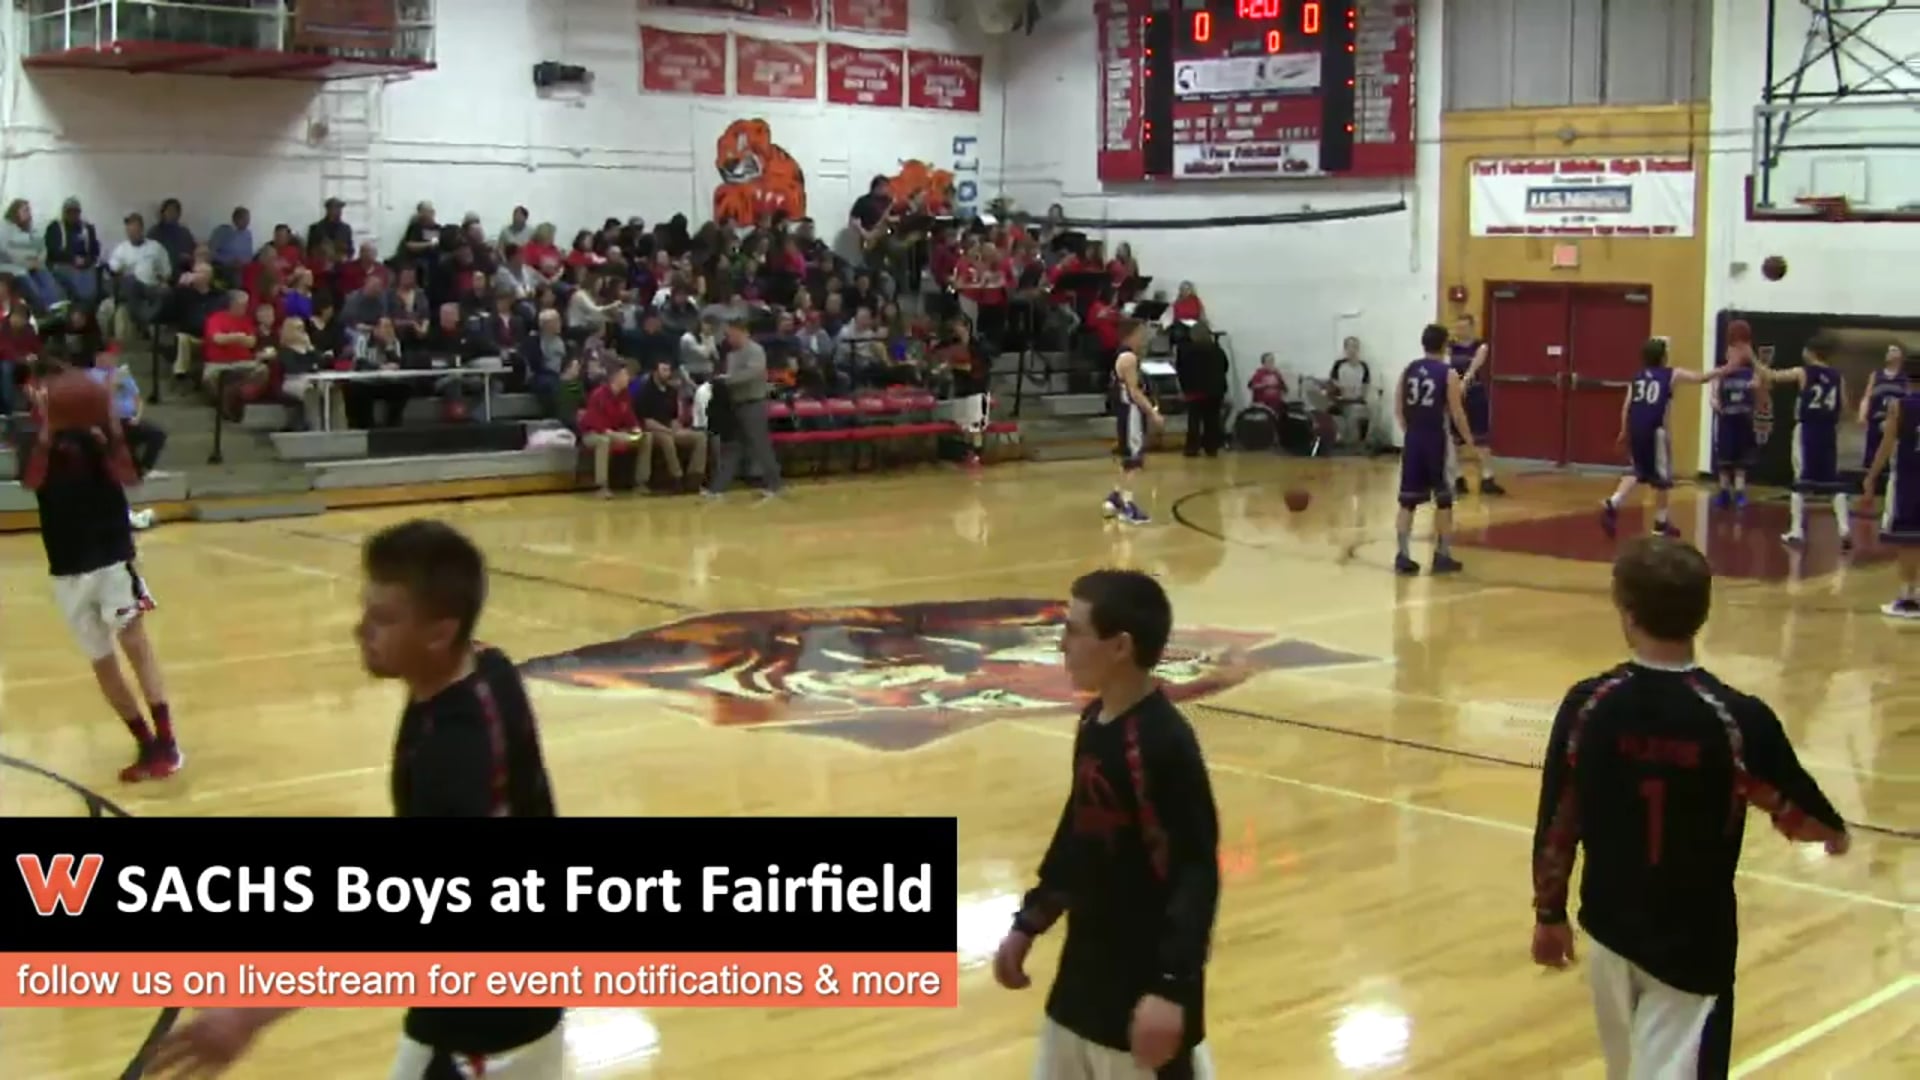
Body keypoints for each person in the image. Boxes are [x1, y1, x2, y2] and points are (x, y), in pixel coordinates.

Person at [151, 520, 563, 1079]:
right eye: (367, 611)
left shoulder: (452, 758)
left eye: (385, 619)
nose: (361, 629)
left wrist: (250, 1011)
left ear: (440, 633)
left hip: (485, 1030)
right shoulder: (487, 664)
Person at [1530, 535, 1849, 1078]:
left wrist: (1549, 913)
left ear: (1626, 614)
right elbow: (1807, 819)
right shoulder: (1737, 720)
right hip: (1693, 946)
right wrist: (1834, 835)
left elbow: (1559, 819)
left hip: (1608, 930)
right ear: (1702, 615)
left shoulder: (1588, 705)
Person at [995, 569, 1220, 1080]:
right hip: (1081, 990)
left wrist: (1171, 989)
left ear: (1119, 646)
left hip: (1143, 1007)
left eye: (1074, 630)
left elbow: (1197, 871)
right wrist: (1030, 921)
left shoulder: (1164, 744)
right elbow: (1080, 835)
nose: (1062, 644)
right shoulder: (1094, 723)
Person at [24, 374, 179, 782]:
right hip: (66, 568)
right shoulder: (33, 440)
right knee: (102, 663)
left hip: (111, 557)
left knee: (135, 643)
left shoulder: (105, 437)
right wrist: (50, 429)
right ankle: (145, 743)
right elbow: (31, 480)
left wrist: (110, 422)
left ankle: (168, 742)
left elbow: (152, 440)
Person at [1602, 338, 1726, 538]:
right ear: (1663, 357)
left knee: (1637, 470)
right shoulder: (1671, 374)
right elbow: (1701, 378)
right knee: (1662, 478)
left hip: (1636, 427)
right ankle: (1660, 523)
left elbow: (1627, 407)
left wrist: (1624, 432)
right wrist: (1723, 370)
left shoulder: (1637, 377)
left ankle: (1613, 501)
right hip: (1656, 430)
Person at [1394, 324, 1481, 576]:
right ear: (1444, 345)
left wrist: (1409, 430)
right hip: (1436, 442)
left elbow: (1398, 407)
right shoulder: (1448, 373)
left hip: (1413, 439)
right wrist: (1469, 442)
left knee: (1407, 500)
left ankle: (1402, 555)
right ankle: (1442, 554)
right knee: (1443, 500)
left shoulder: (1408, 370)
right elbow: (1456, 412)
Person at [1756, 333, 1849, 549]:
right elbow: (1844, 406)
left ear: (1811, 352)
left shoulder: (1803, 372)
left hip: (1807, 429)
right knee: (1832, 482)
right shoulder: (1837, 376)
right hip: (1828, 431)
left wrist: (1751, 357)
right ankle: (1844, 528)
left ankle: (1797, 530)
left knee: (1800, 480)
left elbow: (1771, 375)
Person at [1861, 366, 1920, 618]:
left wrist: (1871, 477)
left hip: (1907, 480)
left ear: (1908, 380)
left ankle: (1908, 599)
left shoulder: (1900, 406)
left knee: (1907, 540)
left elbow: (1886, 446)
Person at [706, 312, 783, 499]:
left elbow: (753, 373)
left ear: (741, 332)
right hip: (735, 405)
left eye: (730, 334)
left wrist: (728, 380)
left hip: (753, 404)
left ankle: (775, 485)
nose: (728, 338)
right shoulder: (731, 355)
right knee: (731, 447)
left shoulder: (756, 350)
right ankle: (717, 489)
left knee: (760, 445)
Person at [1103, 320, 1161, 525]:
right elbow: (1134, 392)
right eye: (1140, 334)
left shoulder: (1124, 355)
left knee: (1128, 459)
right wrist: (1152, 413)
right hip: (1131, 413)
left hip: (1127, 412)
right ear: (1130, 335)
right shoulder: (1128, 357)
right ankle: (1128, 506)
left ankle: (1115, 497)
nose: (1142, 339)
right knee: (1133, 461)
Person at [1449, 314, 1505, 495]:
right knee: (1455, 439)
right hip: (1455, 396)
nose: (1460, 331)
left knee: (1481, 440)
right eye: (1458, 327)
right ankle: (1458, 478)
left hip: (1475, 396)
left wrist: (1464, 381)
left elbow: (1474, 367)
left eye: (1464, 327)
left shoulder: (1481, 346)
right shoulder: (1449, 347)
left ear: (1472, 327)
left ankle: (1487, 478)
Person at [1709, 337, 1757, 509]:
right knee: (1723, 460)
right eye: (1730, 351)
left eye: (1737, 351)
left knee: (1741, 461)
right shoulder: (1720, 372)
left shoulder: (1750, 373)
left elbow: (1759, 387)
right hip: (1726, 420)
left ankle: (1739, 492)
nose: (1733, 354)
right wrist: (1715, 402)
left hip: (1743, 420)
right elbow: (1713, 395)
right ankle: (1723, 492)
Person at [1859, 343, 1908, 497]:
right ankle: (1868, 493)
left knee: (1892, 459)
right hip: (1876, 421)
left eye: (1894, 350)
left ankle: (1891, 494)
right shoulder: (1876, 375)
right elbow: (1867, 396)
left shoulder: (1904, 377)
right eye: (1888, 351)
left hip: (1894, 423)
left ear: (1901, 356)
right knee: (1871, 459)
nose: (1890, 353)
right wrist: (1862, 413)